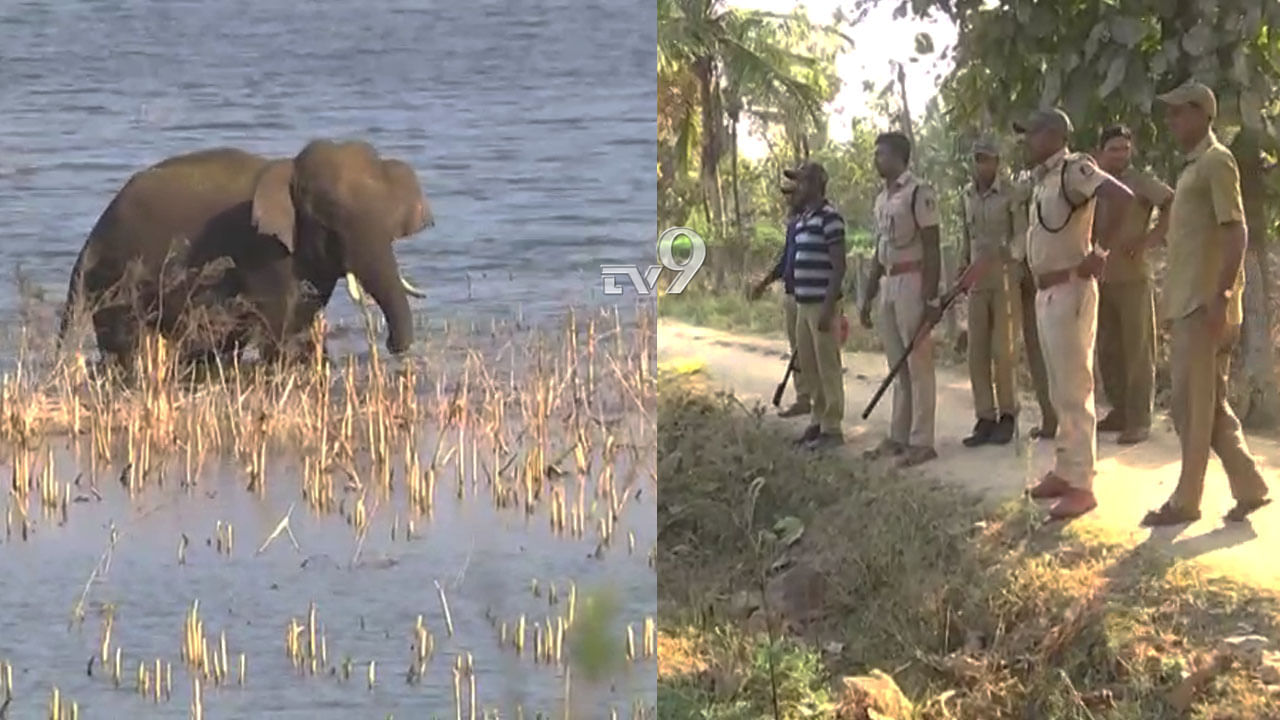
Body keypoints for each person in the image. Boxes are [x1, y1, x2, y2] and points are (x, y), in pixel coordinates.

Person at [1140, 82, 1271, 526]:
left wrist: (1223, 296)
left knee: (1190, 408)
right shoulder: (1193, 166)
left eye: (1178, 113)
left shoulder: (1217, 161)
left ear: (1201, 114)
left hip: (1205, 305)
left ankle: (1185, 501)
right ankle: (1250, 486)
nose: (1172, 121)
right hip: (1189, 303)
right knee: (1206, 404)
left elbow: (1236, 231)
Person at [1015, 108, 1133, 520]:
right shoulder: (1044, 179)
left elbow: (1121, 198)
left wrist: (1100, 252)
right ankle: (1065, 470)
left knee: (1075, 388)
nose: (1026, 141)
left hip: (1071, 288)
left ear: (1052, 135)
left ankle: (1083, 484)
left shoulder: (1075, 169)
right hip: (1048, 290)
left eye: (1031, 133)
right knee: (1058, 388)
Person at [859, 132, 942, 468]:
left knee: (919, 363)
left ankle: (923, 440)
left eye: (881, 154)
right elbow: (880, 248)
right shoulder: (882, 198)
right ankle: (899, 435)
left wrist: (932, 297)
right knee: (897, 365)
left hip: (913, 280)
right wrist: (867, 293)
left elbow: (933, 245)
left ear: (897, 156)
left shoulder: (919, 193)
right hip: (889, 282)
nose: (876, 160)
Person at [1092, 124, 1173, 445]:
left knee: (1138, 349)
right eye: (1114, 149)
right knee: (1108, 349)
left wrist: (1150, 239)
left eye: (1126, 148)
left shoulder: (1140, 181)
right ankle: (1120, 410)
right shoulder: (1093, 183)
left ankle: (1140, 419)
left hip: (1134, 277)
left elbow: (1171, 202)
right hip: (1101, 278)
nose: (1121, 155)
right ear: (1101, 152)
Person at [959, 137, 1025, 447]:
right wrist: (962, 270)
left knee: (1003, 351)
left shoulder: (1011, 193)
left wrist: (1004, 253)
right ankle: (984, 416)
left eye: (986, 158)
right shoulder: (967, 195)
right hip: (976, 279)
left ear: (997, 161)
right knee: (977, 352)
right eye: (976, 158)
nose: (981, 164)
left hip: (1003, 276)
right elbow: (965, 236)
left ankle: (1008, 415)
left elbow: (1022, 237)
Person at [783, 161, 847, 451]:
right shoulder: (804, 219)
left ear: (816, 185)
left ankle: (833, 427)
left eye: (804, 182)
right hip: (803, 303)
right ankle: (818, 420)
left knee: (827, 366)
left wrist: (828, 305)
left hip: (821, 303)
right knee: (809, 366)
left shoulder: (830, 218)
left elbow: (839, 265)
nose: (799, 188)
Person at [750, 181, 812, 418]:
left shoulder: (813, 222)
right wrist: (764, 283)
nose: (788, 199)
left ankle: (821, 404)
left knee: (811, 351)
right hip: (791, 292)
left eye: (792, 195)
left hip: (809, 294)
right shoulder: (793, 225)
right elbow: (785, 260)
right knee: (797, 348)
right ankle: (803, 397)